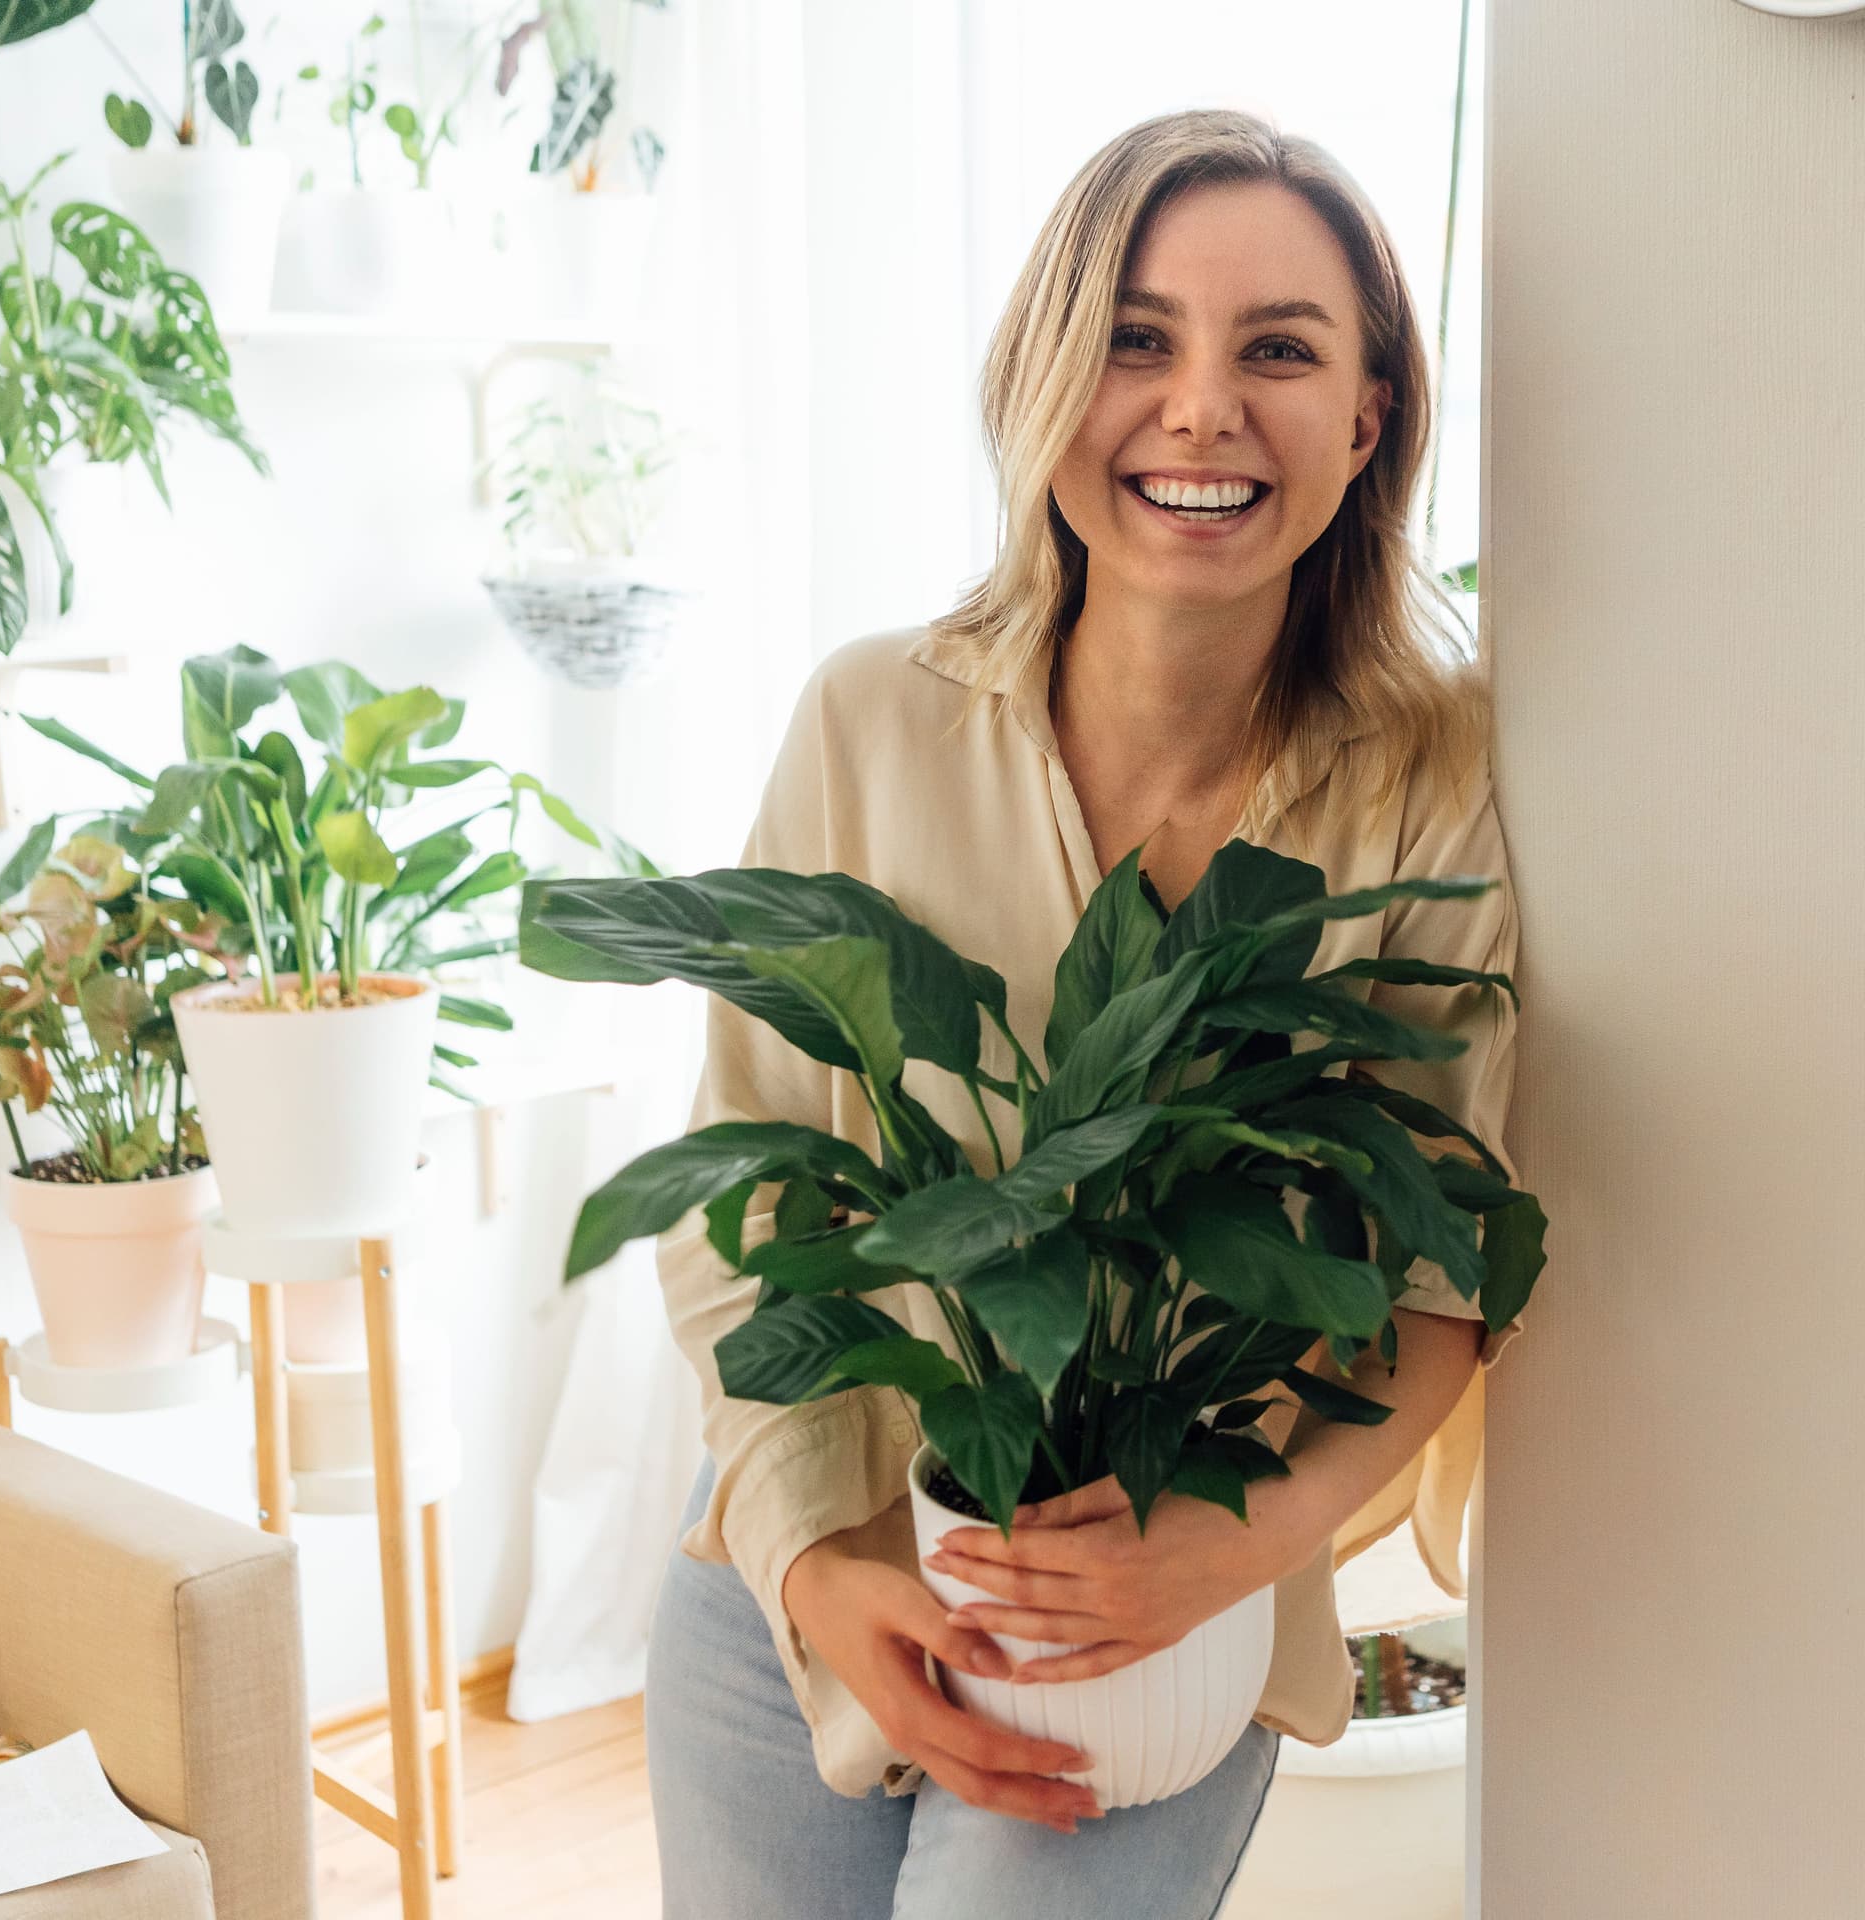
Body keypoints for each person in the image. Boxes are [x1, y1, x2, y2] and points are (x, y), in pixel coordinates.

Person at [643, 106, 1525, 1919]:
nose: (1201, 407)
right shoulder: (869, 720)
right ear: (1046, 379)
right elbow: (749, 1204)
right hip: (791, 1584)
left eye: (1278, 349)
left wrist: (1229, 1549)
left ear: (1366, 422)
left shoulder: (1429, 789)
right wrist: (812, 1560)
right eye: (1138, 336)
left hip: (1151, 1630)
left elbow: (1445, 1273)